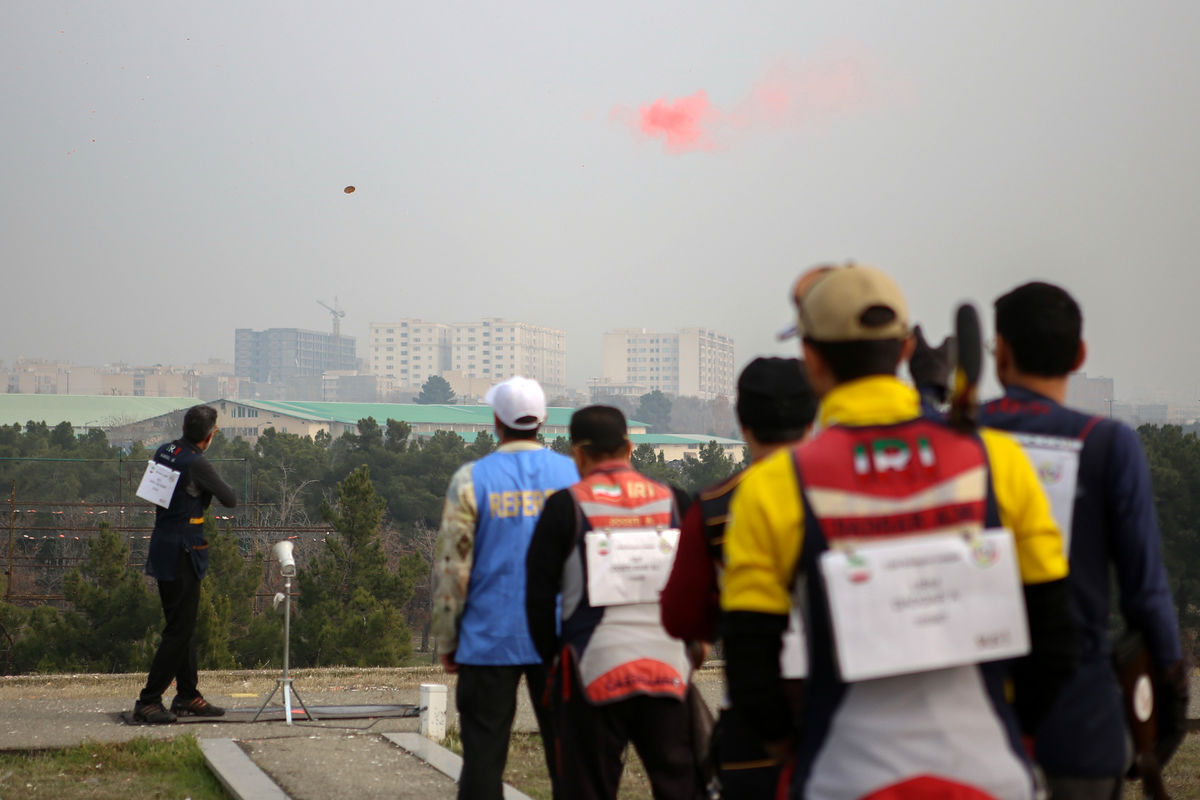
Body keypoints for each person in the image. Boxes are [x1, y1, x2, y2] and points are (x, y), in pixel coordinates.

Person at [721, 263, 1077, 799]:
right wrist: (1015, 729)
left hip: (845, 776)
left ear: (811, 360)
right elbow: (1055, 630)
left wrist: (789, 748)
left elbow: (750, 659)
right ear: (907, 351)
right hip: (989, 773)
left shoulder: (774, 486)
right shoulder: (997, 459)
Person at [977, 282, 1186, 799]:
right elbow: (1147, 592)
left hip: (973, 723)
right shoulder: (1108, 444)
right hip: (1080, 727)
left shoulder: (962, 438)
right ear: (1080, 355)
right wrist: (1172, 690)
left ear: (999, 353)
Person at [661, 357, 817, 798]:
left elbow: (679, 617)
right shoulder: (847, 491)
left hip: (758, 723)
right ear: (812, 417)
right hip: (848, 715)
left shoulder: (714, 506)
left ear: (743, 423)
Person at [526, 405, 699, 800]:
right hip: (669, 668)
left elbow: (537, 599)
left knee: (587, 788)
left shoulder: (563, 506)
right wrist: (695, 646)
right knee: (679, 785)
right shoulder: (675, 501)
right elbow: (698, 584)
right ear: (630, 447)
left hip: (592, 669)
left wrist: (552, 660)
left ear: (578, 455)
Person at [431, 375, 578, 800]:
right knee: (568, 758)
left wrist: (447, 636)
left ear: (497, 421)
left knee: (482, 759)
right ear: (543, 420)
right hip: (560, 637)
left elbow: (453, 567)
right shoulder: (571, 475)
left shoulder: (470, 479)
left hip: (488, 636)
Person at [133, 404, 236, 724]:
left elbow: (155, 494)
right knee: (178, 631)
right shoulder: (196, 462)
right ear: (209, 434)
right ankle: (149, 700)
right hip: (184, 551)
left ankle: (187, 695)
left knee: (183, 626)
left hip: (163, 543)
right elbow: (230, 498)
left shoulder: (166, 451)